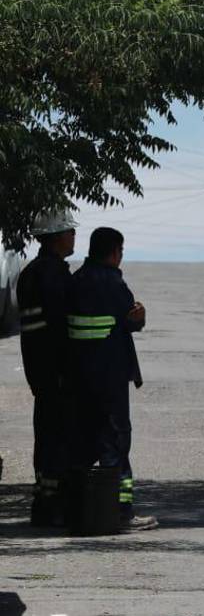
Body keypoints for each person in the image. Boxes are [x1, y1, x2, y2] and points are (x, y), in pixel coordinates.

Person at [67, 227, 156, 531]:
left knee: (83, 440)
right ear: (115, 252)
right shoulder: (113, 283)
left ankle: (79, 510)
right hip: (111, 377)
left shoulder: (75, 282)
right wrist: (140, 315)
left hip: (79, 378)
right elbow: (131, 319)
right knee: (117, 441)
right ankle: (121, 510)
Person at [16, 210, 76, 521]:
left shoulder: (30, 273)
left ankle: (44, 498)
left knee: (46, 433)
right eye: (69, 232)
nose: (73, 236)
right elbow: (59, 328)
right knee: (58, 435)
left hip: (39, 371)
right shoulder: (52, 275)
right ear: (55, 237)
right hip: (56, 371)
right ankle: (55, 504)